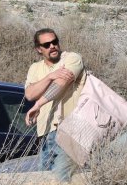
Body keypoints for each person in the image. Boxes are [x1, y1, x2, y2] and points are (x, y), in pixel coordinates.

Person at [24, 28, 86, 175]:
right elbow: (30, 94)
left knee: (65, 178)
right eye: (46, 45)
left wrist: (39, 104)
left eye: (54, 42)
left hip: (70, 128)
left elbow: (62, 83)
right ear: (39, 49)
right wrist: (50, 76)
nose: (52, 46)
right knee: (46, 179)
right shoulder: (35, 68)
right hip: (46, 131)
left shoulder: (72, 58)